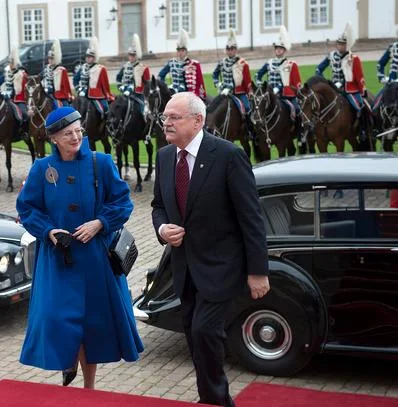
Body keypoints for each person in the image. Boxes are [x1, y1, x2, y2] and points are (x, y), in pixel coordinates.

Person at [151, 92, 270, 406]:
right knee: (194, 336)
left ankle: (217, 401)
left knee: (205, 333)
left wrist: (258, 271)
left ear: (197, 120)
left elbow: (252, 218)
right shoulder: (164, 157)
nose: (167, 123)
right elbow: (158, 207)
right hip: (184, 269)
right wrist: (163, 229)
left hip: (221, 267)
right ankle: (214, 399)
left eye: (174, 117)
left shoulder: (228, 156)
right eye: (165, 117)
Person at [16, 106, 143, 389]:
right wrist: (48, 230)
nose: (75, 137)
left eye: (77, 131)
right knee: (56, 317)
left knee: (91, 323)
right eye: (67, 134)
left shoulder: (101, 162)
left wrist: (99, 223)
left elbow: (123, 202)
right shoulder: (41, 169)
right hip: (57, 259)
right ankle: (67, 359)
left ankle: (89, 387)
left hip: (95, 259)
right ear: (54, 139)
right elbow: (26, 208)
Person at [316, 22, 368, 141]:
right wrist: (324, 81)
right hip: (333, 88)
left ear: (347, 45)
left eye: (343, 44)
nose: (341, 46)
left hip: (350, 89)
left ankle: (363, 130)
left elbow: (359, 76)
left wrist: (362, 90)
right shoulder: (331, 56)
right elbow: (318, 69)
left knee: (360, 106)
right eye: (339, 44)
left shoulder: (353, 58)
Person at [256, 25, 303, 145]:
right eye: (276, 48)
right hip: (270, 94)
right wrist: (260, 84)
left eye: (280, 49)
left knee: (296, 109)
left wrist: (279, 88)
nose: (278, 50)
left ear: (284, 50)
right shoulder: (269, 63)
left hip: (285, 95)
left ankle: (300, 133)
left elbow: (291, 81)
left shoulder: (289, 64)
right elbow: (258, 75)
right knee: (257, 109)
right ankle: (256, 135)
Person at [212, 29, 253, 139]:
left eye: (232, 49)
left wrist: (230, 87)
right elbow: (214, 75)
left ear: (236, 50)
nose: (230, 51)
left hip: (238, 93)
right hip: (224, 92)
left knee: (248, 108)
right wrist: (218, 84)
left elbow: (242, 80)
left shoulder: (241, 63)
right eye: (228, 49)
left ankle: (250, 132)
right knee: (212, 107)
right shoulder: (222, 63)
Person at [73, 36, 114, 119]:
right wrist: (78, 89)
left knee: (105, 109)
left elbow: (105, 85)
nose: (88, 58)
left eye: (90, 56)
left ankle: (107, 127)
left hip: (96, 95)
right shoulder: (82, 67)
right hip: (82, 94)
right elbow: (75, 79)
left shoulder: (100, 69)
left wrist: (108, 95)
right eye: (87, 56)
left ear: (94, 58)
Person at [159, 29, 206, 99]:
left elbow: (199, 82)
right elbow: (161, 75)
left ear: (186, 51)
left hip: (185, 93)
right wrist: (165, 87)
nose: (180, 53)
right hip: (173, 91)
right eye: (178, 50)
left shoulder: (192, 64)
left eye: (182, 50)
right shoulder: (172, 62)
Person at [116, 33, 151, 119]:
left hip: (138, 95)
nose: (131, 57)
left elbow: (147, 85)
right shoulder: (125, 66)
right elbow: (118, 77)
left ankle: (147, 127)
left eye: (133, 55)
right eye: (130, 55)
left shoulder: (143, 68)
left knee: (143, 112)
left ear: (137, 56)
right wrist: (120, 86)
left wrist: (142, 93)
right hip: (125, 92)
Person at [1, 46, 29, 140]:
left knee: (24, 115)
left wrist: (11, 93)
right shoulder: (7, 73)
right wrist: (1, 92)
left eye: (12, 62)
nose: (10, 64)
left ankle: (24, 132)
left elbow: (20, 89)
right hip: (7, 99)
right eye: (9, 62)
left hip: (18, 100)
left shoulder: (21, 74)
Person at [40, 38, 72, 109]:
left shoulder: (61, 70)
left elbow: (66, 86)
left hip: (58, 95)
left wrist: (68, 96)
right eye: (49, 58)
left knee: (61, 107)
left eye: (52, 58)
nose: (50, 60)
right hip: (46, 93)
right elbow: (40, 78)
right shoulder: (46, 68)